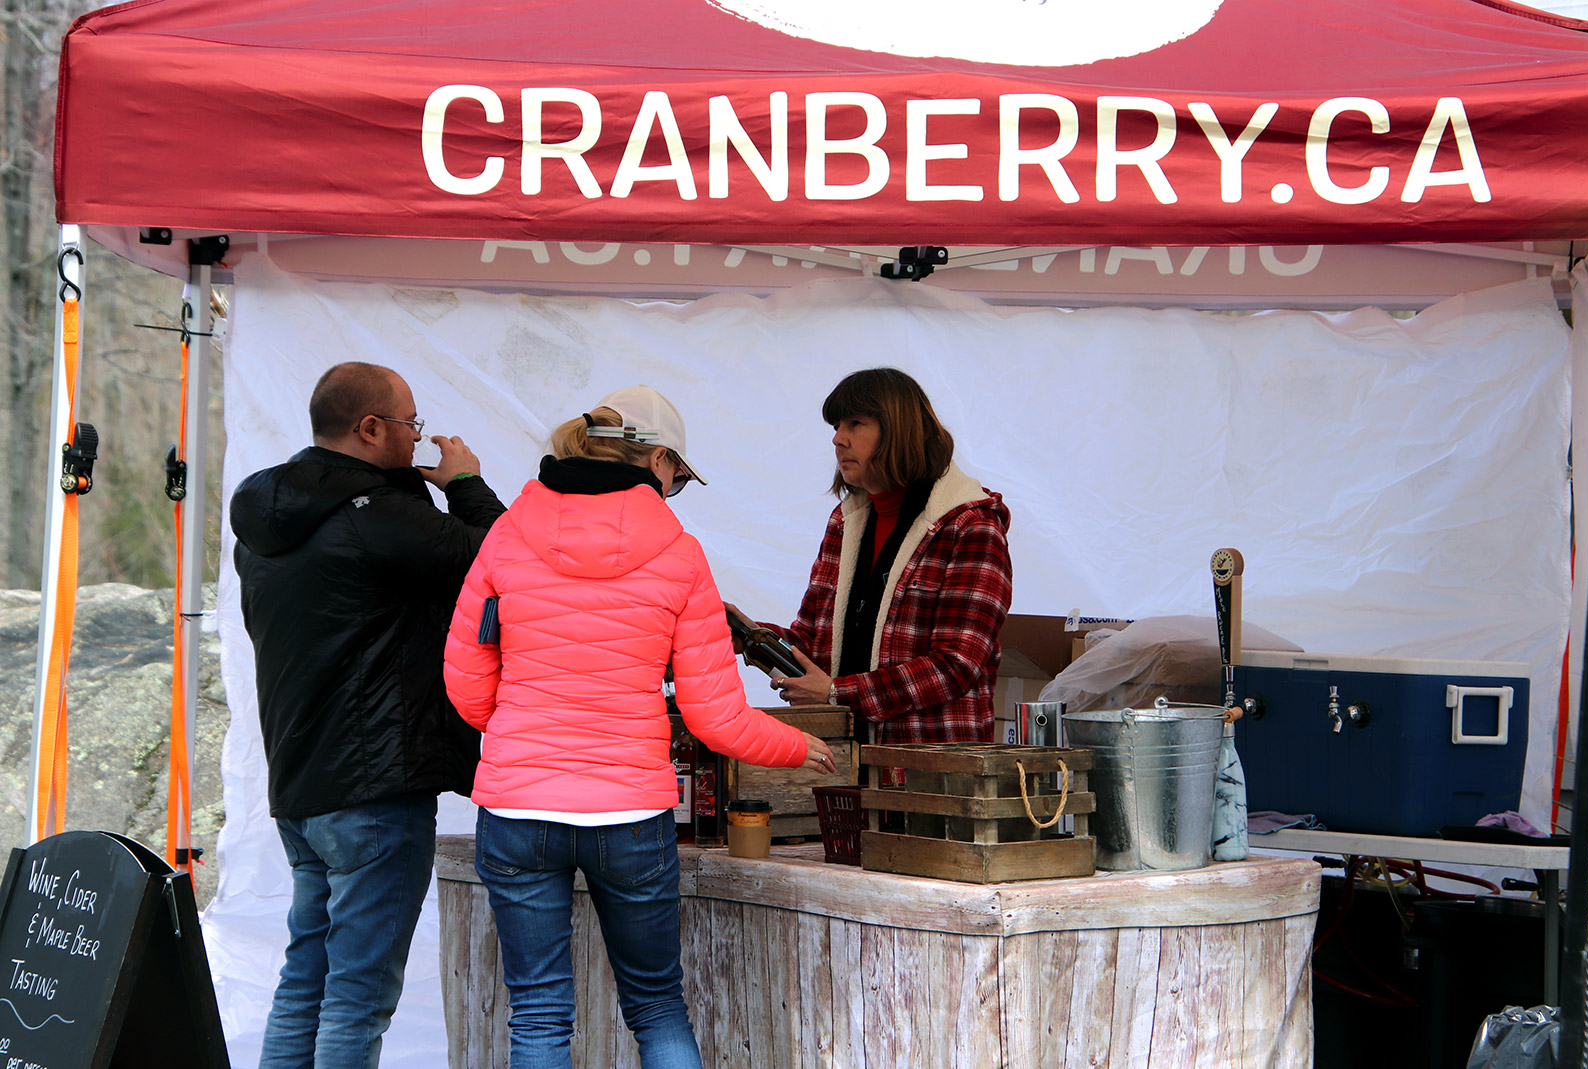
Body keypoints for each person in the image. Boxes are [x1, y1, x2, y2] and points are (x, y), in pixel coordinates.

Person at [442, 385, 837, 1069]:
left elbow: (466, 685)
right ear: (657, 460)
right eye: (679, 476)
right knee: (656, 1006)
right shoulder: (681, 555)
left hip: (515, 807)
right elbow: (716, 718)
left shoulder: (507, 535)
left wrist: (519, 736)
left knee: (537, 1012)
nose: (678, 489)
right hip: (630, 813)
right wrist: (798, 744)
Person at [230, 361, 507, 1069]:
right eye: (411, 423)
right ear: (370, 427)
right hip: (375, 791)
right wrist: (467, 485)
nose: (420, 438)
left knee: (305, 983)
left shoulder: (266, 522)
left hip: (302, 786)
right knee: (357, 996)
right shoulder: (379, 517)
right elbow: (506, 561)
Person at [736, 367, 1013, 746]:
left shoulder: (970, 527)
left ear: (898, 431)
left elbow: (955, 666)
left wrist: (836, 692)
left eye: (855, 423)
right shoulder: (844, 522)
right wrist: (746, 635)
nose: (837, 439)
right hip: (843, 763)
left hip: (930, 772)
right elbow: (815, 642)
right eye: (836, 426)